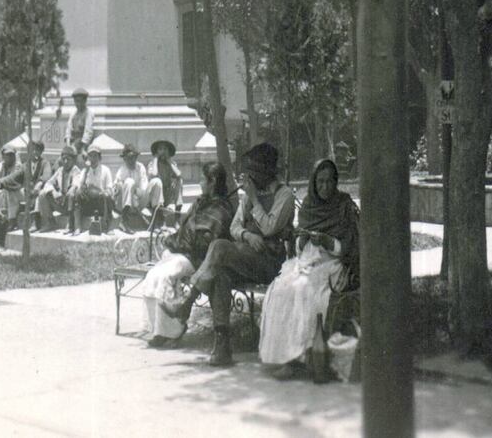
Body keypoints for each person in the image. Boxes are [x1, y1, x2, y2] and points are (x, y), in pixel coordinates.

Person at [163, 142, 295, 366]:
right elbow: (234, 227)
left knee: (220, 247)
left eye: (253, 171)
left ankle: (186, 304)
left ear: (266, 171)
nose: (249, 177)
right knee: (220, 275)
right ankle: (222, 346)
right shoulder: (249, 196)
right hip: (247, 257)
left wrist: (253, 201)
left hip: (271, 263)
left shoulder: (284, 195)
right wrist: (246, 235)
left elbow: (271, 227)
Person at [259, 158, 360, 380]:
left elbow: (350, 248)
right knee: (280, 290)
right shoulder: (308, 206)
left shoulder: (344, 206)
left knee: (304, 290)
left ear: (336, 182)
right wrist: (302, 240)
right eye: (320, 182)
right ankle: (285, 357)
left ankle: (305, 354)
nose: (324, 187)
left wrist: (328, 242)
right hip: (306, 261)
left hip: (333, 265)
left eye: (329, 182)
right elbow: (299, 244)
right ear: (314, 183)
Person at [142, 162, 234, 347]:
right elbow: (187, 229)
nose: (200, 183)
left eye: (202, 179)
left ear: (213, 181)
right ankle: (159, 330)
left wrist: (179, 243)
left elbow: (204, 242)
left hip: (200, 260)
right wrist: (175, 242)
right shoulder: (200, 203)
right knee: (153, 275)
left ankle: (175, 330)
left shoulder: (221, 208)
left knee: (168, 274)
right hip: (184, 253)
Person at [36, 146, 81, 232]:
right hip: (60, 203)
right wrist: (53, 191)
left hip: (71, 205)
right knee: (42, 194)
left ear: (73, 161)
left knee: (72, 193)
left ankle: (71, 224)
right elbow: (48, 183)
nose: (66, 162)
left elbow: (76, 184)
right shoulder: (60, 170)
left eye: (68, 159)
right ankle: (50, 222)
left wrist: (71, 190)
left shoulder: (76, 171)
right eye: (64, 159)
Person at [72, 144, 114, 234]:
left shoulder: (106, 170)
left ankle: (109, 227)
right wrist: (86, 171)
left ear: (99, 158)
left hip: (101, 202)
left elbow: (110, 189)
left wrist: (104, 193)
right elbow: (81, 187)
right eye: (90, 156)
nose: (93, 159)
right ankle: (77, 226)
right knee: (78, 194)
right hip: (89, 203)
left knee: (108, 197)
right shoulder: (85, 171)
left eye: (95, 156)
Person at [113, 144, 151, 232]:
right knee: (129, 182)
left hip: (138, 201)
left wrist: (134, 193)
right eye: (128, 158)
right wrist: (130, 192)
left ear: (136, 157)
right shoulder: (122, 170)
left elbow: (143, 189)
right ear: (124, 159)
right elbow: (116, 190)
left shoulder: (140, 167)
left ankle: (156, 217)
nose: (131, 160)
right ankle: (124, 220)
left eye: (133, 157)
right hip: (123, 204)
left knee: (153, 184)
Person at [146, 139, 184, 227]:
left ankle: (177, 218)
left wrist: (169, 162)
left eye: (165, 149)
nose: (163, 152)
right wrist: (155, 159)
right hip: (154, 198)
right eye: (160, 149)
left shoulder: (171, 163)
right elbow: (154, 174)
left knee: (179, 181)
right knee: (158, 181)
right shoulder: (152, 164)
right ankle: (161, 220)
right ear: (156, 152)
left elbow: (179, 174)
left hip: (167, 194)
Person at [0, 144, 24, 230]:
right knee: (3, 191)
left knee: (8, 190)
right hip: (5, 195)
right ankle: (2, 219)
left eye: (11, 155)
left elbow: (11, 179)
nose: (9, 157)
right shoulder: (2, 165)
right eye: (7, 155)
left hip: (20, 194)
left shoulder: (18, 166)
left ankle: (12, 220)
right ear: (3, 156)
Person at [64, 88, 95, 156]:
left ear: (85, 101)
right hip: (73, 142)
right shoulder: (73, 114)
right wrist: (68, 144)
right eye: (76, 101)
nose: (79, 104)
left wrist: (83, 148)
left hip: (82, 143)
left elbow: (88, 131)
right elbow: (69, 129)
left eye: (81, 101)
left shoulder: (88, 114)